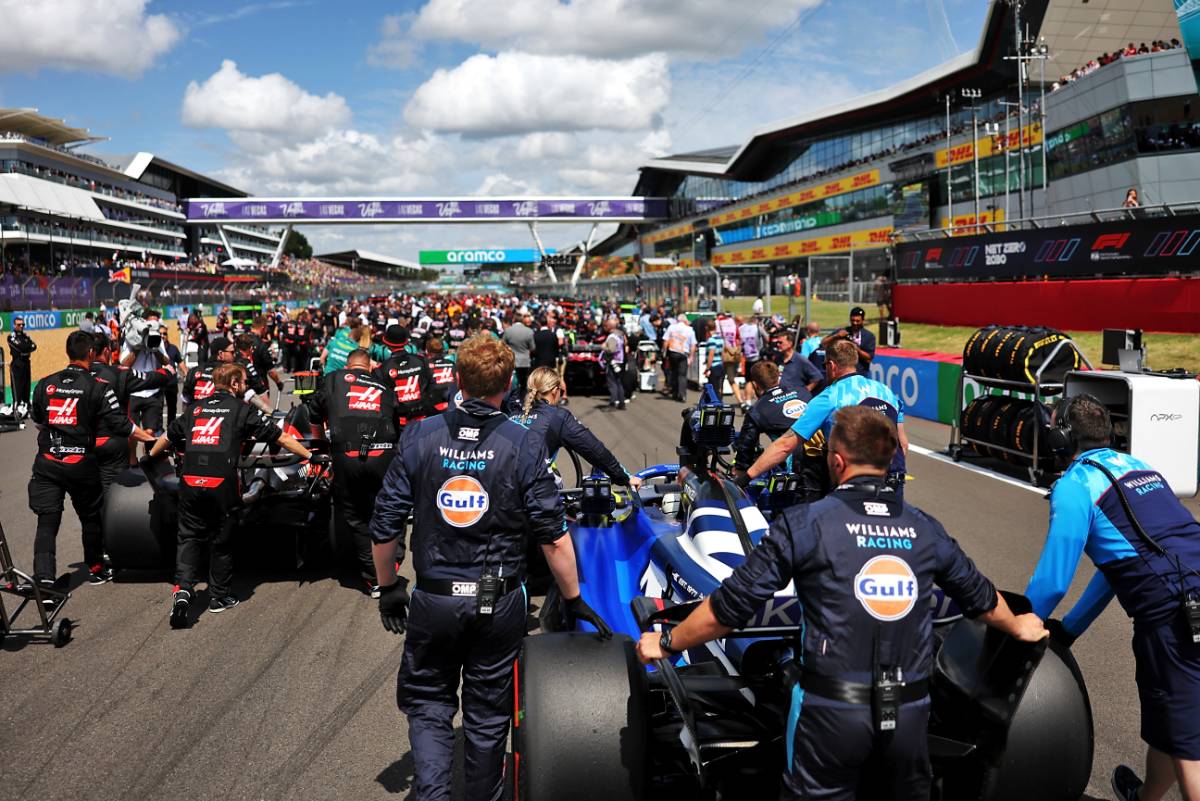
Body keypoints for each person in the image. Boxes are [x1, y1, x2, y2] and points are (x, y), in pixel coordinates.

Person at [637, 406, 1047, 800]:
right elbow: (980, 596)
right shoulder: (925, 528)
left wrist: (668, 642)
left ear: (836, 461)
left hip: (829, 712)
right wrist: (1018, 627)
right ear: (891, 460)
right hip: (909, 713)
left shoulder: (805, 523)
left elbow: (731, 607)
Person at [368, 335, 610, 801]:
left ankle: (433, 793)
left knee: (429, 703)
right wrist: (575, 600)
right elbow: (553, 536)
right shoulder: (521, 443)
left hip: (435, 597)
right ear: (508, 386)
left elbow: (384, 525)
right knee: (487, 714)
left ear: (458, 379)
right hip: (496, 602)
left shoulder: (421, 435)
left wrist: (388, 586)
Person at [1023, 395, 1200, 801]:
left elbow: (1052, 581)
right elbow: (1117, 567)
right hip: (1184, 594)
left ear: (1061, 437)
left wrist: (1020, 626)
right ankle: (1145, 797)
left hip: (1175, 612)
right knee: (1171, 718)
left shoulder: (1076, 485)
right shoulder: (1139, 467)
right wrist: (1070, 629)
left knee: (1190, 740)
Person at [149, 362, 321, 628]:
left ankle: (183, 590)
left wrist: (149, 457)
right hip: (221, 485)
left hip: (191, 482)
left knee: (189, 537)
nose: (246, 386)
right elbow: (282, 439)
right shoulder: (242, 410)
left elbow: (168, 437)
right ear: (234, 385)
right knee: (221, 540)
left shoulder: (195, 409)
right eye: (243, 382)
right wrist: (311, 456)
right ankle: (219, 597)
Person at [29, 331, 156, 587]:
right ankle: (96, 568)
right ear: (90, 353)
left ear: (67, 353)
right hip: (80, 465)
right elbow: (120, 424)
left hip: (47, 463)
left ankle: (43, 577)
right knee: (91, 517)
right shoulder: (98, 386)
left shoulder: (44, 383)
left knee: (47, 521)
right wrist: (151, 440)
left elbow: (39, 422)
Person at [743, 340, 909, 499]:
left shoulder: (829, 397)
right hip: (893, 479)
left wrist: (746, 476)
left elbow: (786, 445)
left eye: (824, 366)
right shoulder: (885, 391)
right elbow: (903, 443)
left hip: (854, 484)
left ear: (831, 365)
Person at [305, 349, 401, 594]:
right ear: (369, 368)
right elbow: (397, 422)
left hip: (347, 455)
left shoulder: (335, 378)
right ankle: (393, 562)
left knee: (357, 516)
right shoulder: (383, 386)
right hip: (384, 454)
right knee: (388, 508)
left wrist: (320, 447)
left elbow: (313, 413)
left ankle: (374, 578)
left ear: (348, 367)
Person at [515, 367, 641, 492]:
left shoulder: (512, 416)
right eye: (560, 390)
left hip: (503, 495)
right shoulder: (558, 417)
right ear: (554, 391)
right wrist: (625, 477)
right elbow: (594, 450)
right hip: (532, 496)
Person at [89, 332, 173, 495]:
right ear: (107, 351)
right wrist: (168, 372)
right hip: (112, 443)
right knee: (111, 494)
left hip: (82, 445)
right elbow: (150, 378)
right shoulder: (117, 373)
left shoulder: (70, 377)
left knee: (89, 496)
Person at [732, 361, 811, 476]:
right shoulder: (803, 391)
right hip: (823, 452)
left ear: (756, 384)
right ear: (778, 376)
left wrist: (740, 469)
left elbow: (746, 445)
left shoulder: (757, 410)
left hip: (794, 464)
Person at [375, 325, 434, 428]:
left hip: (398, 423)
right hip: (422, 418)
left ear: (386, 343)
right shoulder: (422, 361)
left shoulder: (382, 369)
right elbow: (431, 385)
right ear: (406, 342)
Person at [120, 309, 169, 435]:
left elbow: (166, 361)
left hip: (152, 391)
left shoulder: (158, 338)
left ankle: (148, 454)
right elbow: (124, 364)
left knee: (151, 431)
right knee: (132, 433)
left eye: (156, 322)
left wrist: (155, 348)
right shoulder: (131, 338)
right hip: (134, 391)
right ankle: (133, 455)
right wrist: (138, 346)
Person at [820, 307, 876, 376]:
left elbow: (869, 358)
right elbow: (823, 343)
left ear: (863, 320)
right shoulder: (843, 332)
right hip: (842, 374)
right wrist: (836, 336)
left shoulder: (868, 336)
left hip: (861, 373)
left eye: (858, 321)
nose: (855, 323)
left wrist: (854, 347)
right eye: (853, 320)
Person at [773, 327, 822, 394]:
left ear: (790, 343)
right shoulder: (777, 359)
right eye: (777, 342)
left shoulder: (800, 360)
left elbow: (817, 377)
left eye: (780, 343)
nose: (778, 345)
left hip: (795, 399)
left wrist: (805, 392)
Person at [663, 312, 697, 402]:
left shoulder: (671, 327)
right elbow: (693, 345)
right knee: (682, 375)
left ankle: (675, 392)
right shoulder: (690, 329)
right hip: (683, 353)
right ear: (685, 321)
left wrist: (664, 352)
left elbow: (666, 340)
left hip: (672, 352)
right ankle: (682, 395)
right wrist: (691, 356)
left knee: (674, 372)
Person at [501, 313, 535, 395]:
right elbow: (532, 347)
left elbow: (502, 345)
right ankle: (522, 399)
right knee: (523, 382)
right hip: (524, 361)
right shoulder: (529, 331)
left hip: (512, 360)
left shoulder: (508, 331)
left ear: (513, 320)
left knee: (512, 381)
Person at [7, 316, 36, 411]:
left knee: (27, 384)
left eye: (23, 324)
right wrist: (26, 348)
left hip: (26, 362)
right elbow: (22, 348)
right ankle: (17, 404)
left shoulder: (25, 336)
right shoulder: (11, 336)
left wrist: (25, 348)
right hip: (17, 363)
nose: (21, 326)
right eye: (19, 325)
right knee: (17, 385)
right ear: (14, 325)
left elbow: (34, 346)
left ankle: (26, 403)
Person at [601, 317, 627, 410]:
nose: (604, 327)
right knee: (619, 383)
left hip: (613, 362)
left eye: (606, 325)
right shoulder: (620, 335)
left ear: (609, 327)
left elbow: (612, 350)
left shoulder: (612, 337)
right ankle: (621, 403)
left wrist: (604, 347)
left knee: (612, 383)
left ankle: (613, 403)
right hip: (620, 361)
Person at [162, 327, 183, 427]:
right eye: (160, 334)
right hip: (158, 383)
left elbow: (180, 362)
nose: (163, 336)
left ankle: (171, 428)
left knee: (172, 408)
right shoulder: (154, 349)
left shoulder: (173, 348)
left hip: (171, 383)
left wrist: (187, 374)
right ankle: (158, 430)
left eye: (165, 334)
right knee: (157, 408)